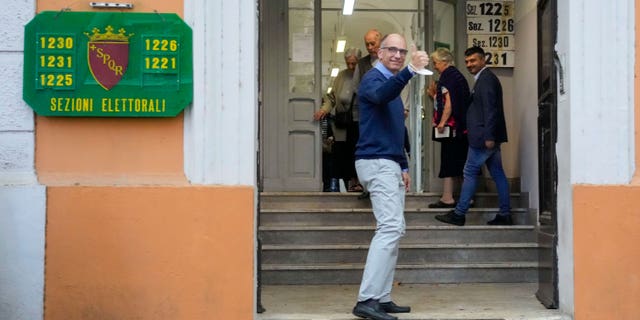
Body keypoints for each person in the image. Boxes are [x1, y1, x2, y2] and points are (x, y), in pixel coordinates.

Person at [352, 33, 429, 320]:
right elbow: (381, 95)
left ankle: (381, 297)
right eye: (392, 50)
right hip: (376, 162)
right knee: (389, 229)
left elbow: (397, 130)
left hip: (389, 162)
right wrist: (411, 70)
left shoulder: (392, 86)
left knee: (394, 230)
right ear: (380, 53)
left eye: (401, 51)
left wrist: (404, 166)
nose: (397, 55)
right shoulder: (374, 79)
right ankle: (367, 299)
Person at [435, 46, 512, 226]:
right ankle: (505, 213)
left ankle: (459, 214)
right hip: (486, 137)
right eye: (467, 61)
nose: (470, 64)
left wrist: (490, 137)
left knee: (469, 172)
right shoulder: (484, 79)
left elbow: (491, 110)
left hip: (483, 138)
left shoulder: (486, 80)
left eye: (473, 60)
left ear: (483, 60)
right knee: (498, 173)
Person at [426, 48, 471, 208]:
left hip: (453, 129)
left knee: (449, 161)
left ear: (444, 62)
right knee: (461, 163)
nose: (435, 66)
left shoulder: (447, 77)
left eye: (436, 63)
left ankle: (447, 197)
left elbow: (449, 104)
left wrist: (441, 123)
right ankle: (466, 198)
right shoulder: (457, 76)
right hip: (462, 129)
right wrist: (434, 97)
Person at [314, 48, 362, 192]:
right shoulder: (341, 76)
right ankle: (350, 183)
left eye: (354, 63)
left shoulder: (365, 75)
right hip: (343, 122)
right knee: (344, 153)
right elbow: (332, 98)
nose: (351, 67)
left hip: (361, 121)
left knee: (358, 151)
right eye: (349, 63)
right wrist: (324, 109)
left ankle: (359, 182)